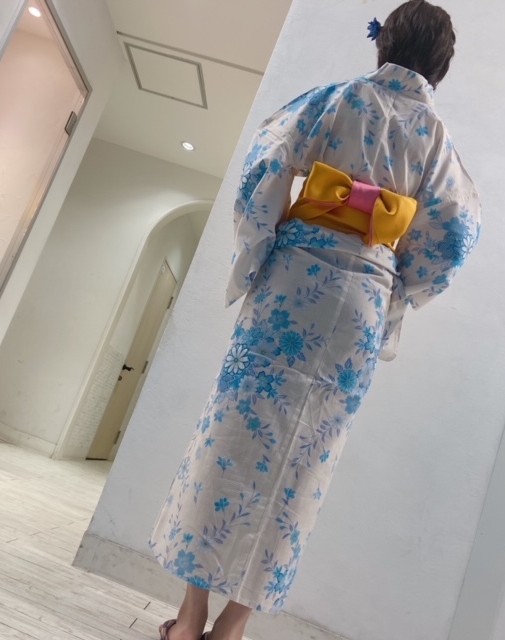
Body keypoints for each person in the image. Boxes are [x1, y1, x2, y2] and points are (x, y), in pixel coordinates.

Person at [150, 2, 481, 639]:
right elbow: (454, 237)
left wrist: (259, 246)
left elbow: (266, 163)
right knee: (303, 462)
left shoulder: (338, 98)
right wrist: (393, 283)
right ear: (441, 64)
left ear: (384, 44)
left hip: (293, 282)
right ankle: (232, 629)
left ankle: (190, 622)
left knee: (232, 436)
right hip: (361, 305)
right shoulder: (436, 141)